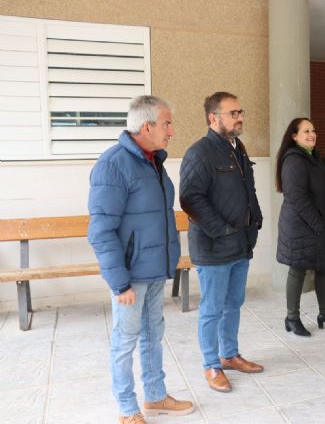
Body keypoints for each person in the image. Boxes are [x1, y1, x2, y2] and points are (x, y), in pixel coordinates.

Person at [88, 95, 194, 423]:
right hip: (130, 276)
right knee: (125, 340)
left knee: (153, 335)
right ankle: (126, 408)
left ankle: (156, 396)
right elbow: (101, 230)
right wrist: (119, 283)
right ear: (146, 126)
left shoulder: (153, 161)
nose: (172, 131)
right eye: (167, 123)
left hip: (153, 269)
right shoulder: (113, 164)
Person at [179, 92, 263, 393]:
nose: (239, 117)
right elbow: (191, 199)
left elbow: (246, 190)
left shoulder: (237, 148)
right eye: (232, 113)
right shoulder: (199, 152)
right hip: (215, 246)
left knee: (234, 304)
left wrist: (256, 218)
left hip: (240, 243)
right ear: (213, 118)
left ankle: (230, 355)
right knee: (212, 308)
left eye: (241, 111)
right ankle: (211, 365)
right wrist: (222, 230)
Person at [275, 118, 325, 337]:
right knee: (297, 269)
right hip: (301, 226)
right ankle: (292, 318)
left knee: (324, 267)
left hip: (318, 223)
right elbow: (297, 199)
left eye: (313, 130)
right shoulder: (294, 160)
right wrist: (318, 224)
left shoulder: (313, 158)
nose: (312, 134)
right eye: (306, 131)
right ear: (294, 136)